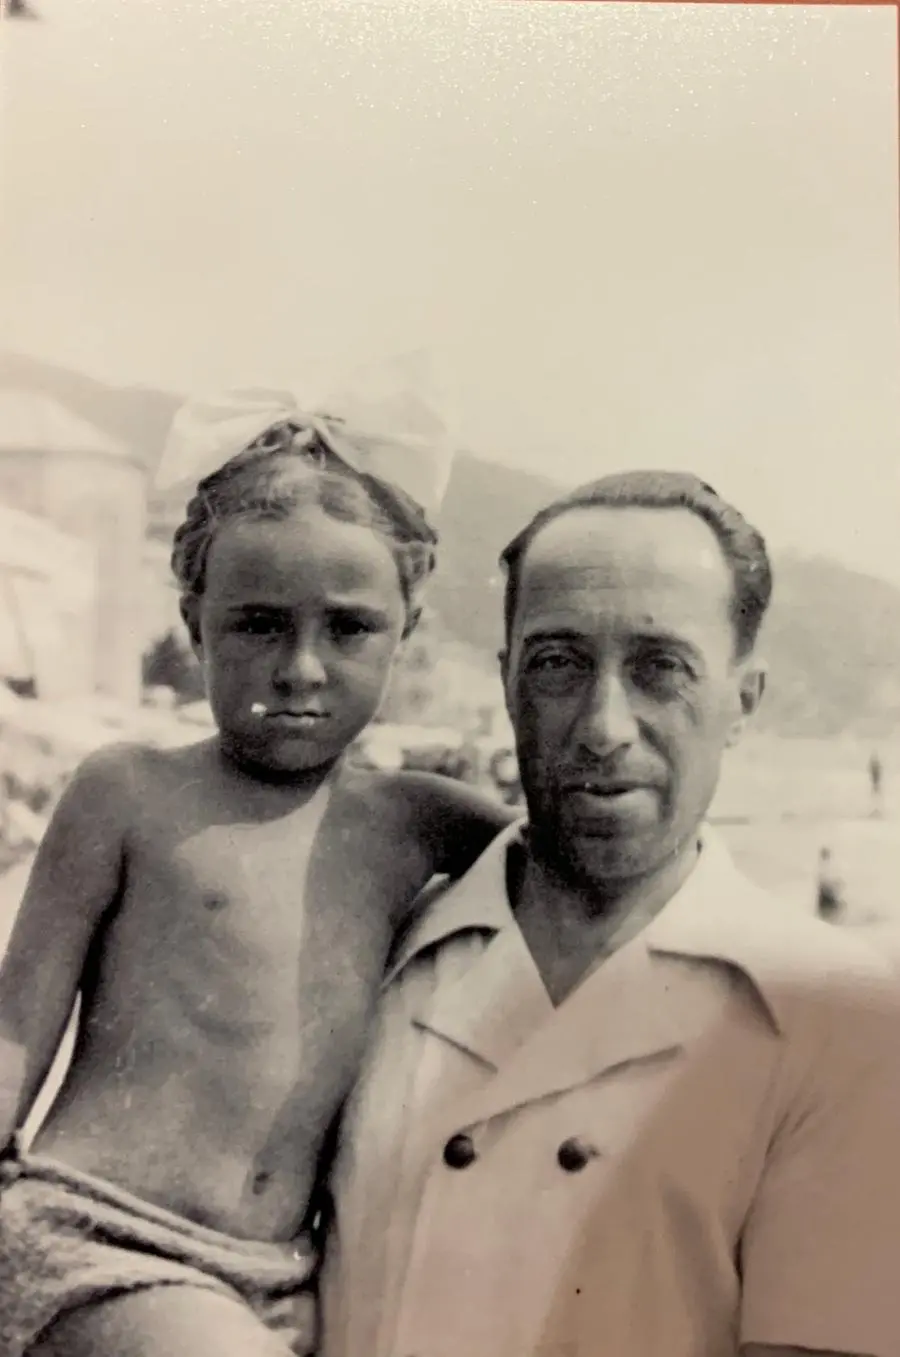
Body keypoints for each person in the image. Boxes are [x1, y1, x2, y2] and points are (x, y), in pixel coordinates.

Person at [321, 470, 900, 1357]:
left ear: (742, 701)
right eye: (558, 663)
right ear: (507, 681)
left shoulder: (837, 1019)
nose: (604, 725)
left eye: (661, 668)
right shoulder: (365, 949)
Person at [0, 400, 514, 1357]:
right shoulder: (128, 792)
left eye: (350, 628)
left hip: (290, 1275)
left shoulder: (418, 821)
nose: (301, 668)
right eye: (259, 625)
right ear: (195, 620)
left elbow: (586, 890)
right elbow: (13, 1026)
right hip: (100, 1239)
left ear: (409, 626)